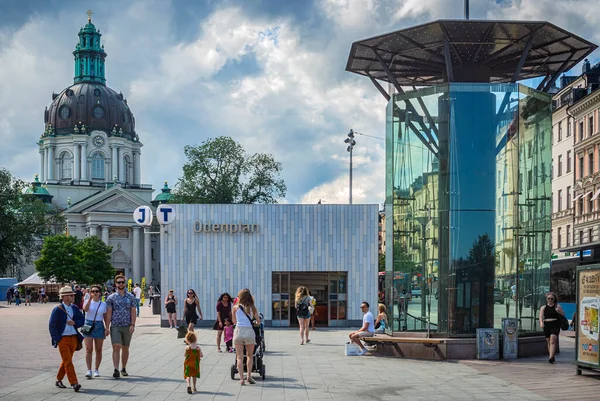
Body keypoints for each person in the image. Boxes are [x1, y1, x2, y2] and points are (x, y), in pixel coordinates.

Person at [48, 285, 85, 392]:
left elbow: (82, 320)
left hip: (74, 338)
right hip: (63, 339)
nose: (71, 297)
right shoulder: (57, 309)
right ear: (63, 297)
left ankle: (58, 379)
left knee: (66, 361)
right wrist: (57, 339)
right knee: (68, 361)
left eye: (71, 295)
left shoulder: (74, 308)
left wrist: (75, 323)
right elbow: (52, 325)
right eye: (68, 295)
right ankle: (74, 383)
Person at [105, 274, 136, 378]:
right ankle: (116, 369)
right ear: (115, 284)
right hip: (115, 325)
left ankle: (123, 368)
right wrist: (107, 327)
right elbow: (109, 313)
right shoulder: (111, 298)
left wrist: (133, 324)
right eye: (119, 282)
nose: (121, 284)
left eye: (122, 282)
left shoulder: (131, 297)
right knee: (116, 346)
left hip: (127, 325)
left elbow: (133, 311)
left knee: (125, 348)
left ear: (125, 283)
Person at [232, 288, 261, 385]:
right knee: (249, 356)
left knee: (239, 357)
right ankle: (249, 376)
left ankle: (241, 379)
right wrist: (255, 323)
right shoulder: (252, 308)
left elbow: (234, 321)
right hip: (249, 331)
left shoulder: (235, 308)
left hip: (238, 331)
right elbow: (258, 321)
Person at [83, 285, 108, 378]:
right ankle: (89, 370)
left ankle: (96, 369)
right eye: (92, 291)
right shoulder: (87, 301)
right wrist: (89, 299)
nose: (94, 293)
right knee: (88, 349)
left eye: (96, 291)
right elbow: (85, 309)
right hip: (87, 323)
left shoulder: (103, 304)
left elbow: (105, 316)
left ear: (100, 293)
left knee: (99, 349)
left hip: (99, 324)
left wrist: (107, 327)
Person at [539, 291, 565, 364]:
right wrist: (541, 323)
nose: (550, 300)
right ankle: (551, 356)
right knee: (548, 340)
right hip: (547, 325)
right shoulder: (543, 307)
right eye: (548, 298)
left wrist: (559, 311)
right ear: (546, 299)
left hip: (555, 324)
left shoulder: (557, 306)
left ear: (554, 299)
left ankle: (550, 358)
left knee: (553, 340)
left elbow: (563, 314)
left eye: (551, 299)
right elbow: (541, 316)